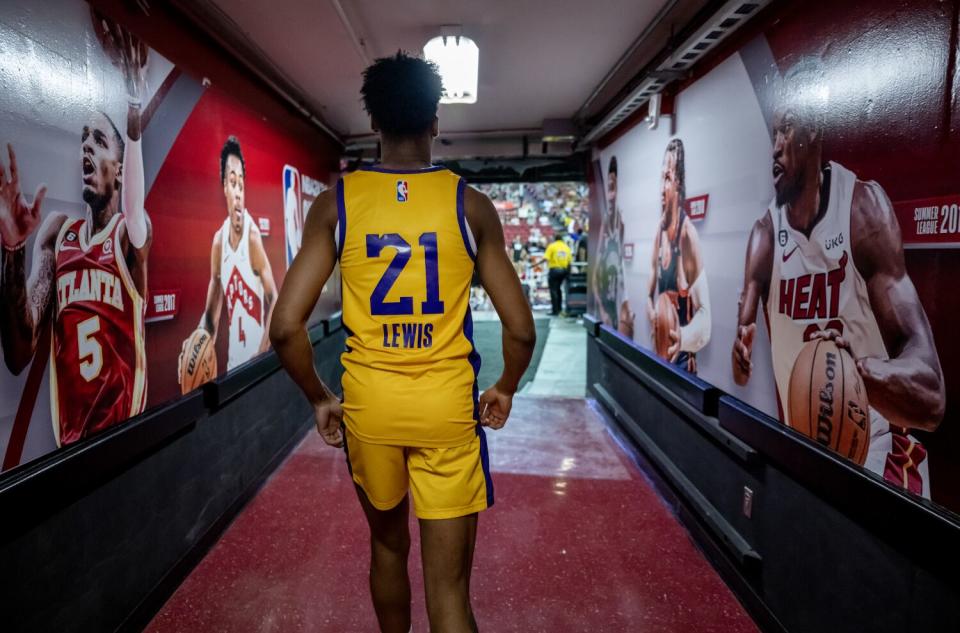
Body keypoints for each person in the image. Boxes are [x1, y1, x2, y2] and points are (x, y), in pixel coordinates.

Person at [269, 52, 535, 633]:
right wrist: (507, 387)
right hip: (445, 410)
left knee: (387, 550)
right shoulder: (471, 205)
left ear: (373, 123)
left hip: (371, 409)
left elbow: (286, 326)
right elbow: (520, 328)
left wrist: (319, 397)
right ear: (436, 121)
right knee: (450, 592)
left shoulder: (337, 204)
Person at [731, 59, 945, 497]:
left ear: (813, 131)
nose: (775, 146)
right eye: (772, 132)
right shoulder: (765, 236)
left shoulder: (862, 211)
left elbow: (931, 395)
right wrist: (741, 355)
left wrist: (861, 376)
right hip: (804, 449)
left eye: (786, 130)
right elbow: (741, 356)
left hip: (877, 450)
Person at [0, 23, 151, 445]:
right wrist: (12, 251)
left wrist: (133, 109)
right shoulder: (56, 235)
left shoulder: (128, 237)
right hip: (70, 448)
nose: (86, 146)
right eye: (82, 139)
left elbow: (134, 206)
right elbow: (18, 352)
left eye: (98, 140)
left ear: (119, 168)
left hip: (124, 436)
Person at [189, 136, 277, 371]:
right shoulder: (219, 242)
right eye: (232, 182)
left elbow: (275, 302)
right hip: (232, 368)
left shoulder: (252, 237)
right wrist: (194, 348)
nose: (238, 192)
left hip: (255, 369)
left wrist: (262, 352)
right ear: (224, 187)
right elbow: (210, 318)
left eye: (241, 184)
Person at [646, 139, 711, 373]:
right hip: (660, 352)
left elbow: (706, 318)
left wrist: (682, 336)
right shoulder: (659, 232)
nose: (661, 187)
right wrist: (654, 314)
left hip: (681, 360)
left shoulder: (687, 235)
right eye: (660, 177)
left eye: (667, 178)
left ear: (678, 184)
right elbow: (647, 294)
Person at [593, 156, 634, 337]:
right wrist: (601, 309)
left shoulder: (621, 224)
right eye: (608, 188)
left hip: (616, 301)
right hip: (606, 302)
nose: (610, 195)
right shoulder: (606, 224)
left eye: (613, 188)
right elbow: (595, 275)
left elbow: (622, 270)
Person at [539, 232, 572, 315]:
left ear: (555, 239)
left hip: (554, 271)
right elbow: (569, 262)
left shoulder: (552, 246)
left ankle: (555, 310)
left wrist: (537, 264)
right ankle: (560, 309)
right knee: (558, 289)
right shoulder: (566, 247)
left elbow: (546, 258)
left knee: (553, 290)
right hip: (564, 271)